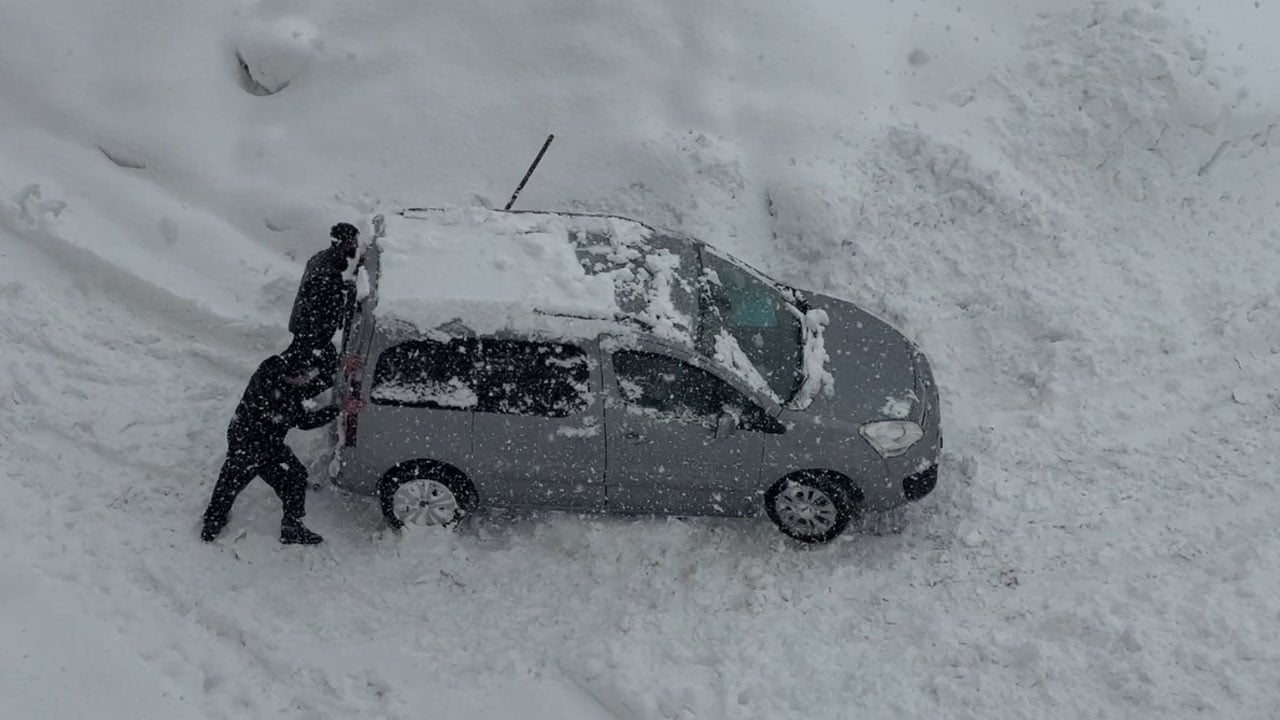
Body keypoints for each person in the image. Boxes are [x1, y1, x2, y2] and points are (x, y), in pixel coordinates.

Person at [201, 343, 340, 544]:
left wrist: (332, 371)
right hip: (257, 444)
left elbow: (305, 386)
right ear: (292, 376)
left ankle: (213, 520)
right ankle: (291, 527)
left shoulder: (271, 367)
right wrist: (339, 408)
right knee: (286, 475)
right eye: (304, 376)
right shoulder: (282, 400)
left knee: (233, 475)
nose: (306, 380)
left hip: (243, 432)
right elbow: (305, 421)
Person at [288, 221, 361, 374]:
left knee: (298, 364)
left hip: (307, 330)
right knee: (304, 370)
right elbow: (318, 299)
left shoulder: (324, 260)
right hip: (310, 332)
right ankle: (281, 391)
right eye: (353, 241)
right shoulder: (327, 269)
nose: (355, 246)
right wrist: (317, 337)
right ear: (343, 243)